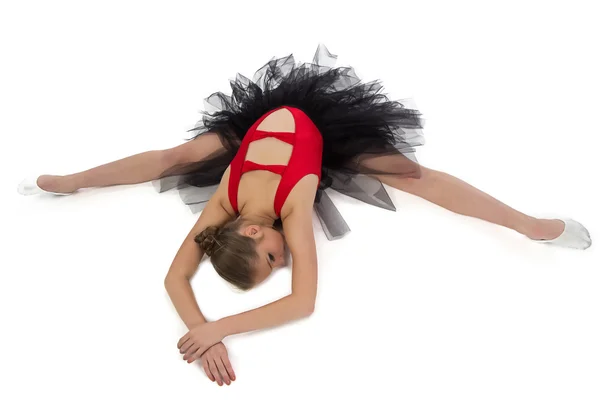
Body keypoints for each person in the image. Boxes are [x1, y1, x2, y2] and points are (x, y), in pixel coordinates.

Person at [17, 45, 592, 386]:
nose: (287, 254)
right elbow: (188, 280)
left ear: (248, 227)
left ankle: (72, 180)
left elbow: (286, 299)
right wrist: (203, 332)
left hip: (288, 121)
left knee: (177, 156)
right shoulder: (243, 215)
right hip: (306, 150)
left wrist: (213, 327)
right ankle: (530, 227)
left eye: (272, 255)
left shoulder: (258, 204)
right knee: (407, 179)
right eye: (279, 262)